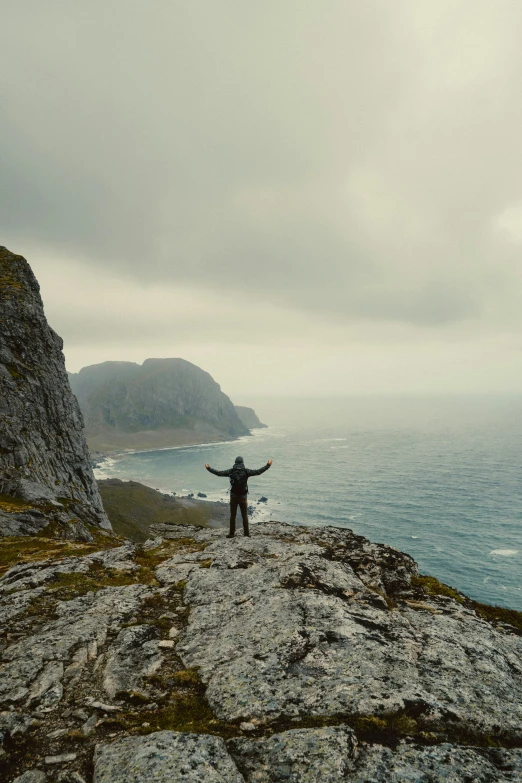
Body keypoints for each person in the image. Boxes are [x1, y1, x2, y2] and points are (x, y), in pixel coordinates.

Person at [205, 456, 272, 538]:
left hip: (233, 496)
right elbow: (258, 472)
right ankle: (246, 534)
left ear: (235, 462)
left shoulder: (231, 471)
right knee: (244, 516)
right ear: (242, 462)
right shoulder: (246, 471)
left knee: (233, 516)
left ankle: (231, 534)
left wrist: (209, 468)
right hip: (243, 497)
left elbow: (219, 473)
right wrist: (268, 465)